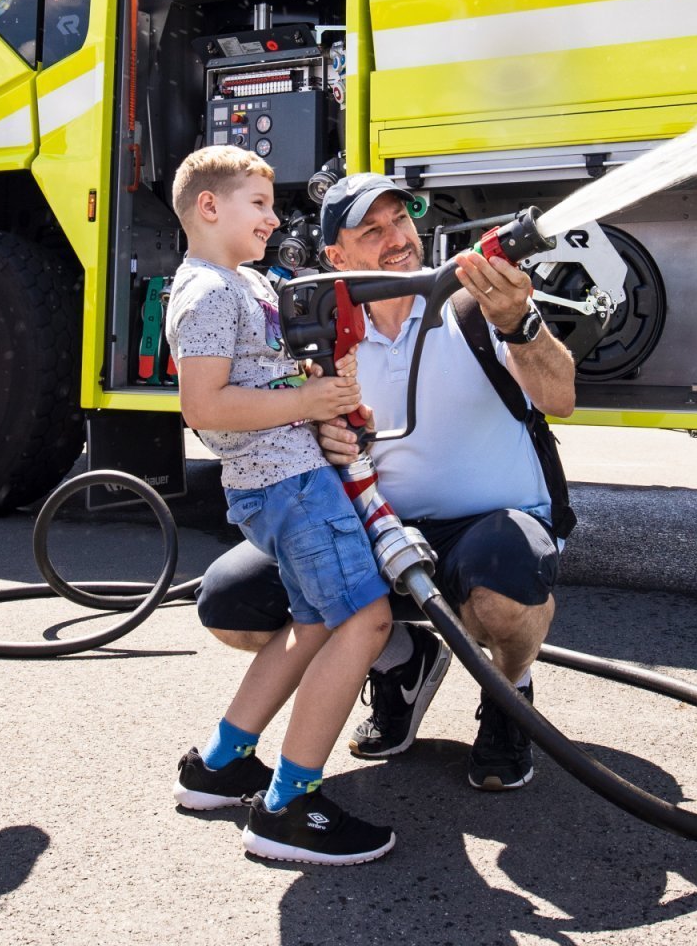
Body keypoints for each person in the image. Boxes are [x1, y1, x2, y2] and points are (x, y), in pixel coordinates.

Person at [197, 171, 578, 793]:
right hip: (372, 527)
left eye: (400, 220)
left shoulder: (475, 304)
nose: (395, 237)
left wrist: (521, 323)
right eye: (371, 230)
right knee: (230, 602)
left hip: (489, 528)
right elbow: (277, 426)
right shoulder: (320, 334)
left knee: (502, 588)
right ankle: (402, 663)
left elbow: (560, 397)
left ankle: (510, 694)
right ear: (336, 258)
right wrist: (325, 437)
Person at [166, 146, 397, 867]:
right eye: (258, 205)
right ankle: (289, 807)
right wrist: (306, 401)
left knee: (309, 623)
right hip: (288, 486)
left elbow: (280, 373)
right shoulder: (207, 292)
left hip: (293, 476)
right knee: (365, 618)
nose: (273, 218)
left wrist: (331, 395)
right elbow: (203, 408)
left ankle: (221, 765)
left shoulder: (248, 284)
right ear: (210, 207)